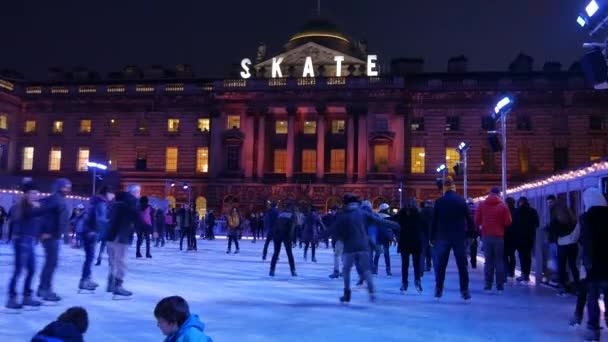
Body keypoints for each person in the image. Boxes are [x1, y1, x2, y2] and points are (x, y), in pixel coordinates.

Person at [327, 193, 399, 303]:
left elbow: (333, 229)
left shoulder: (343, 215)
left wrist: (322, 235)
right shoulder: (363, 213)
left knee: (346, 270)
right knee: (366, 270)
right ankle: (372, 292)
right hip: (363, 245)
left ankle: (347, 293)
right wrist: (394, 224)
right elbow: (379, 220)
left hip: (349, 247)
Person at [431, 176, 475, 301]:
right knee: (462, 265)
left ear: (445, 189)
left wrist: (432, 237)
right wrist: (471, 234)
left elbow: (434, 222)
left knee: (441, 265)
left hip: (443, 236)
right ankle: (465, 290)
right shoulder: (461, 201)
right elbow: (469, 219)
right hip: (459, 237)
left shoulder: (439, 202)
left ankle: (439, 289)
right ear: (454, 188)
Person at [6, 181, 46, 309]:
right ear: (26, 194)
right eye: (32, 193)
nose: (35, 195)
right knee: (18, 270)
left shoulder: (34, 206)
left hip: (30, 241)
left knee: (32, 269)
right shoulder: (20, 207)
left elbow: (37, 222)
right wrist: (35, 208)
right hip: (21, 241)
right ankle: (11, 298)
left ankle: (26, 296)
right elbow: (21, 218)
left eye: (36, 193)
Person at [579, 188, 608, 342]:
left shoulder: (586, 218)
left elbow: (584, 241)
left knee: (592, 298)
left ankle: (593, 329)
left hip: (593, 264)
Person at [105, 184, 144, 297]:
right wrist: (149, 228)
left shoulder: (115, 201)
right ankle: (118, 285)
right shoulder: (131, 202)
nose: (139, 194)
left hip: (111, 236)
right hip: (121, 237)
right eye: (138, 192)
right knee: (122, 262)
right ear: (133, 192)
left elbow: (109, 217)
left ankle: (110, 283)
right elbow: (136, 218)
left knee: (113, 261)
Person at [38, 178, 71, 302]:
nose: (67, 189)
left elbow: (63, 220)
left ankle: (43, 288)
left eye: (68, 187)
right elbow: (45, 217)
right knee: (51, 263)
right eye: (64, 187)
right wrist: (45, 232)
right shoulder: (54, 200)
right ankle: (45, 289)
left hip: (54, 236)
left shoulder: (60, 199)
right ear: (58, 187)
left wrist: (65, 236)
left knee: (51, 263)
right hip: (50, 236)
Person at [474, 187, 512, 293]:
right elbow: (508, 222)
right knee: (499, 261)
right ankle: (500, 286)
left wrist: (480, 228)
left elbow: (476, 221)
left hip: (486, 236)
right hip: (499, 237)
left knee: (488, 261)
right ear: (499, 194)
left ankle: (488, 285)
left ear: (490, 193)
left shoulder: (482, 205)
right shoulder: (503, 206)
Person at [79, 186, 114, 291]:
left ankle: (87, 278)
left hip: (88, 230)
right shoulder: (101, 203)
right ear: (107, 193)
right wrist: (110, 222)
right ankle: (84, 280)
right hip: (92, 232)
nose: (113, 196)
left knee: (89, 257)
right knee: (89, 258)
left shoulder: (94, 201)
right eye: (112, 193)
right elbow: (100, 219)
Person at [548, 199, 579, 294]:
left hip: (562, 244)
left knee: (561, 265)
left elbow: (554, 232)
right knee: (573, 265)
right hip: (573, 244)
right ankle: (576, 285)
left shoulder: (556, 219)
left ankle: (562, 285)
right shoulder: (572, 218)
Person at [393, 198, 424, 293]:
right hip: (415, 241)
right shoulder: (419, 214)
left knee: (405, 264)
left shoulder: (402, 214)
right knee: (416, 263)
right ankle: (417, 280)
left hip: (405, 240)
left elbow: (393, 221)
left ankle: (404, 282)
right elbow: (424, 226)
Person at [512, 197, 539, 283]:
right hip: (530, 237)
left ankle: (523, 274)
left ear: (519, 203)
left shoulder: (516, 212)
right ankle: (527, 274)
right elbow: (537, 223)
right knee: (528, 256)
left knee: (522, 256)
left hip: (519, 237)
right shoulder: (533, 211)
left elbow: (513, 224)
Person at [269, 200, 298, 277]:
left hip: (277, 235)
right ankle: (293, 270)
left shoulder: (280, 214)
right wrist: (293, 240)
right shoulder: (292, 215)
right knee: (289, 254)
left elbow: (276, 225)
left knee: (276, 253)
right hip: (286, 235)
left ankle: (272, 270)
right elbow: (292, 228)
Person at [374, 203, 394, 277]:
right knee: (386, 255)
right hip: (385, 238)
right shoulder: (389, 217)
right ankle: (388, 270)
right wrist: (391, 238)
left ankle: (375, 269)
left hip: (378, 237)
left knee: (377, 254)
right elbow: (390, 229)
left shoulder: (377, 217)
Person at [503, 197, 517, 279]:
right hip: (514, 236)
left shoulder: (505, 211)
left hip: (506, 235)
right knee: (512, 255)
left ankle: (507, 269)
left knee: (504, 254)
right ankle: (511, 271)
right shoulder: (517, 211)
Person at [419, 201, 434, 272]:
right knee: (430, 252)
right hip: (432, 234)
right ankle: (429, 266)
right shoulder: (434, 212)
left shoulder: (422, 212)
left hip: (423, 234)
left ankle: (421, 268)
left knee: (422, 252)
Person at [466, 199, 479, 270]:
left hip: (466, 230)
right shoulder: (476, 209)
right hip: (474, 231)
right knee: (474, 247)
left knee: (464, 247)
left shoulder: (465, 209)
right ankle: (473, 263)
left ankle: (465, 263)